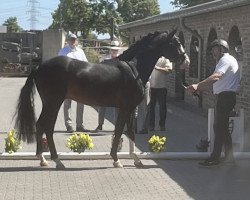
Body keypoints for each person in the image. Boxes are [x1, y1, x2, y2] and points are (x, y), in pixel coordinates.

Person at [186, 39, 240, 166]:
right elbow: (219, 81)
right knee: (223, 128)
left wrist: (197, 86)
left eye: (214, 49)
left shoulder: (225, 60)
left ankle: (215, 158)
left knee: (219, 127)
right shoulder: (227, 60)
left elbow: (216, 77)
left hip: (225, 98)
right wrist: (200, 88)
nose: (212, 52)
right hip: (225, 97)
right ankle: (229, 157)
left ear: (221, 48)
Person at [58, 33, 89, 132]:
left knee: (81, 102)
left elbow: (86, 64)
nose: (73, 41)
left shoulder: (80, 51)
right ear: (67, 40)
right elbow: (59, 65)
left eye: (74, 39)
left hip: (80, 81)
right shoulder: (63, 51)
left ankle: (80, 125)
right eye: (71, 39)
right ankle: (69, 125)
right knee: (67, 103)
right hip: (68, 81)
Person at [95, 40, 121, 132]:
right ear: (110, 50)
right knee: (102, 105)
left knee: (117, 106)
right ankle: (100, 124)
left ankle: (117, 126)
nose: (115, 52)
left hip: (116, 86)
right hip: (106, 85)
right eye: (113, 50)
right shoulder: (104, 59)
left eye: (116, 50)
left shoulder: (121, 59)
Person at [149, 57, 172, 131]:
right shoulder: (151, 57)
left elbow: (168, 70)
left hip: (161, 87)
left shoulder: (165, 59)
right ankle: (151, 125)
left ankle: (162, 125)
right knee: (150, 107)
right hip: (151, 86)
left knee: (162, 107)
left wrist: (157, 68)